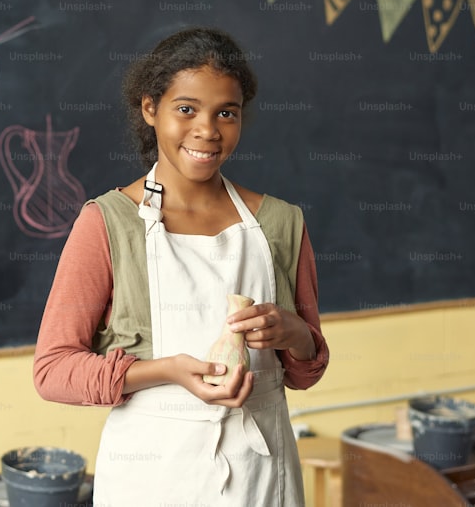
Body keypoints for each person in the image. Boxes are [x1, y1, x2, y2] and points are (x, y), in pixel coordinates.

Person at [33, 26, 329, 505]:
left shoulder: (280, 223)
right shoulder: (107, 223)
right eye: (186, 109)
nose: (207, 130)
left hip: (263, 473)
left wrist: (292, 333)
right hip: (153, 475)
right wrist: (167, 371)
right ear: (151, 108)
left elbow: (307, 370)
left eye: (225, 113)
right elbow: (52, 371)